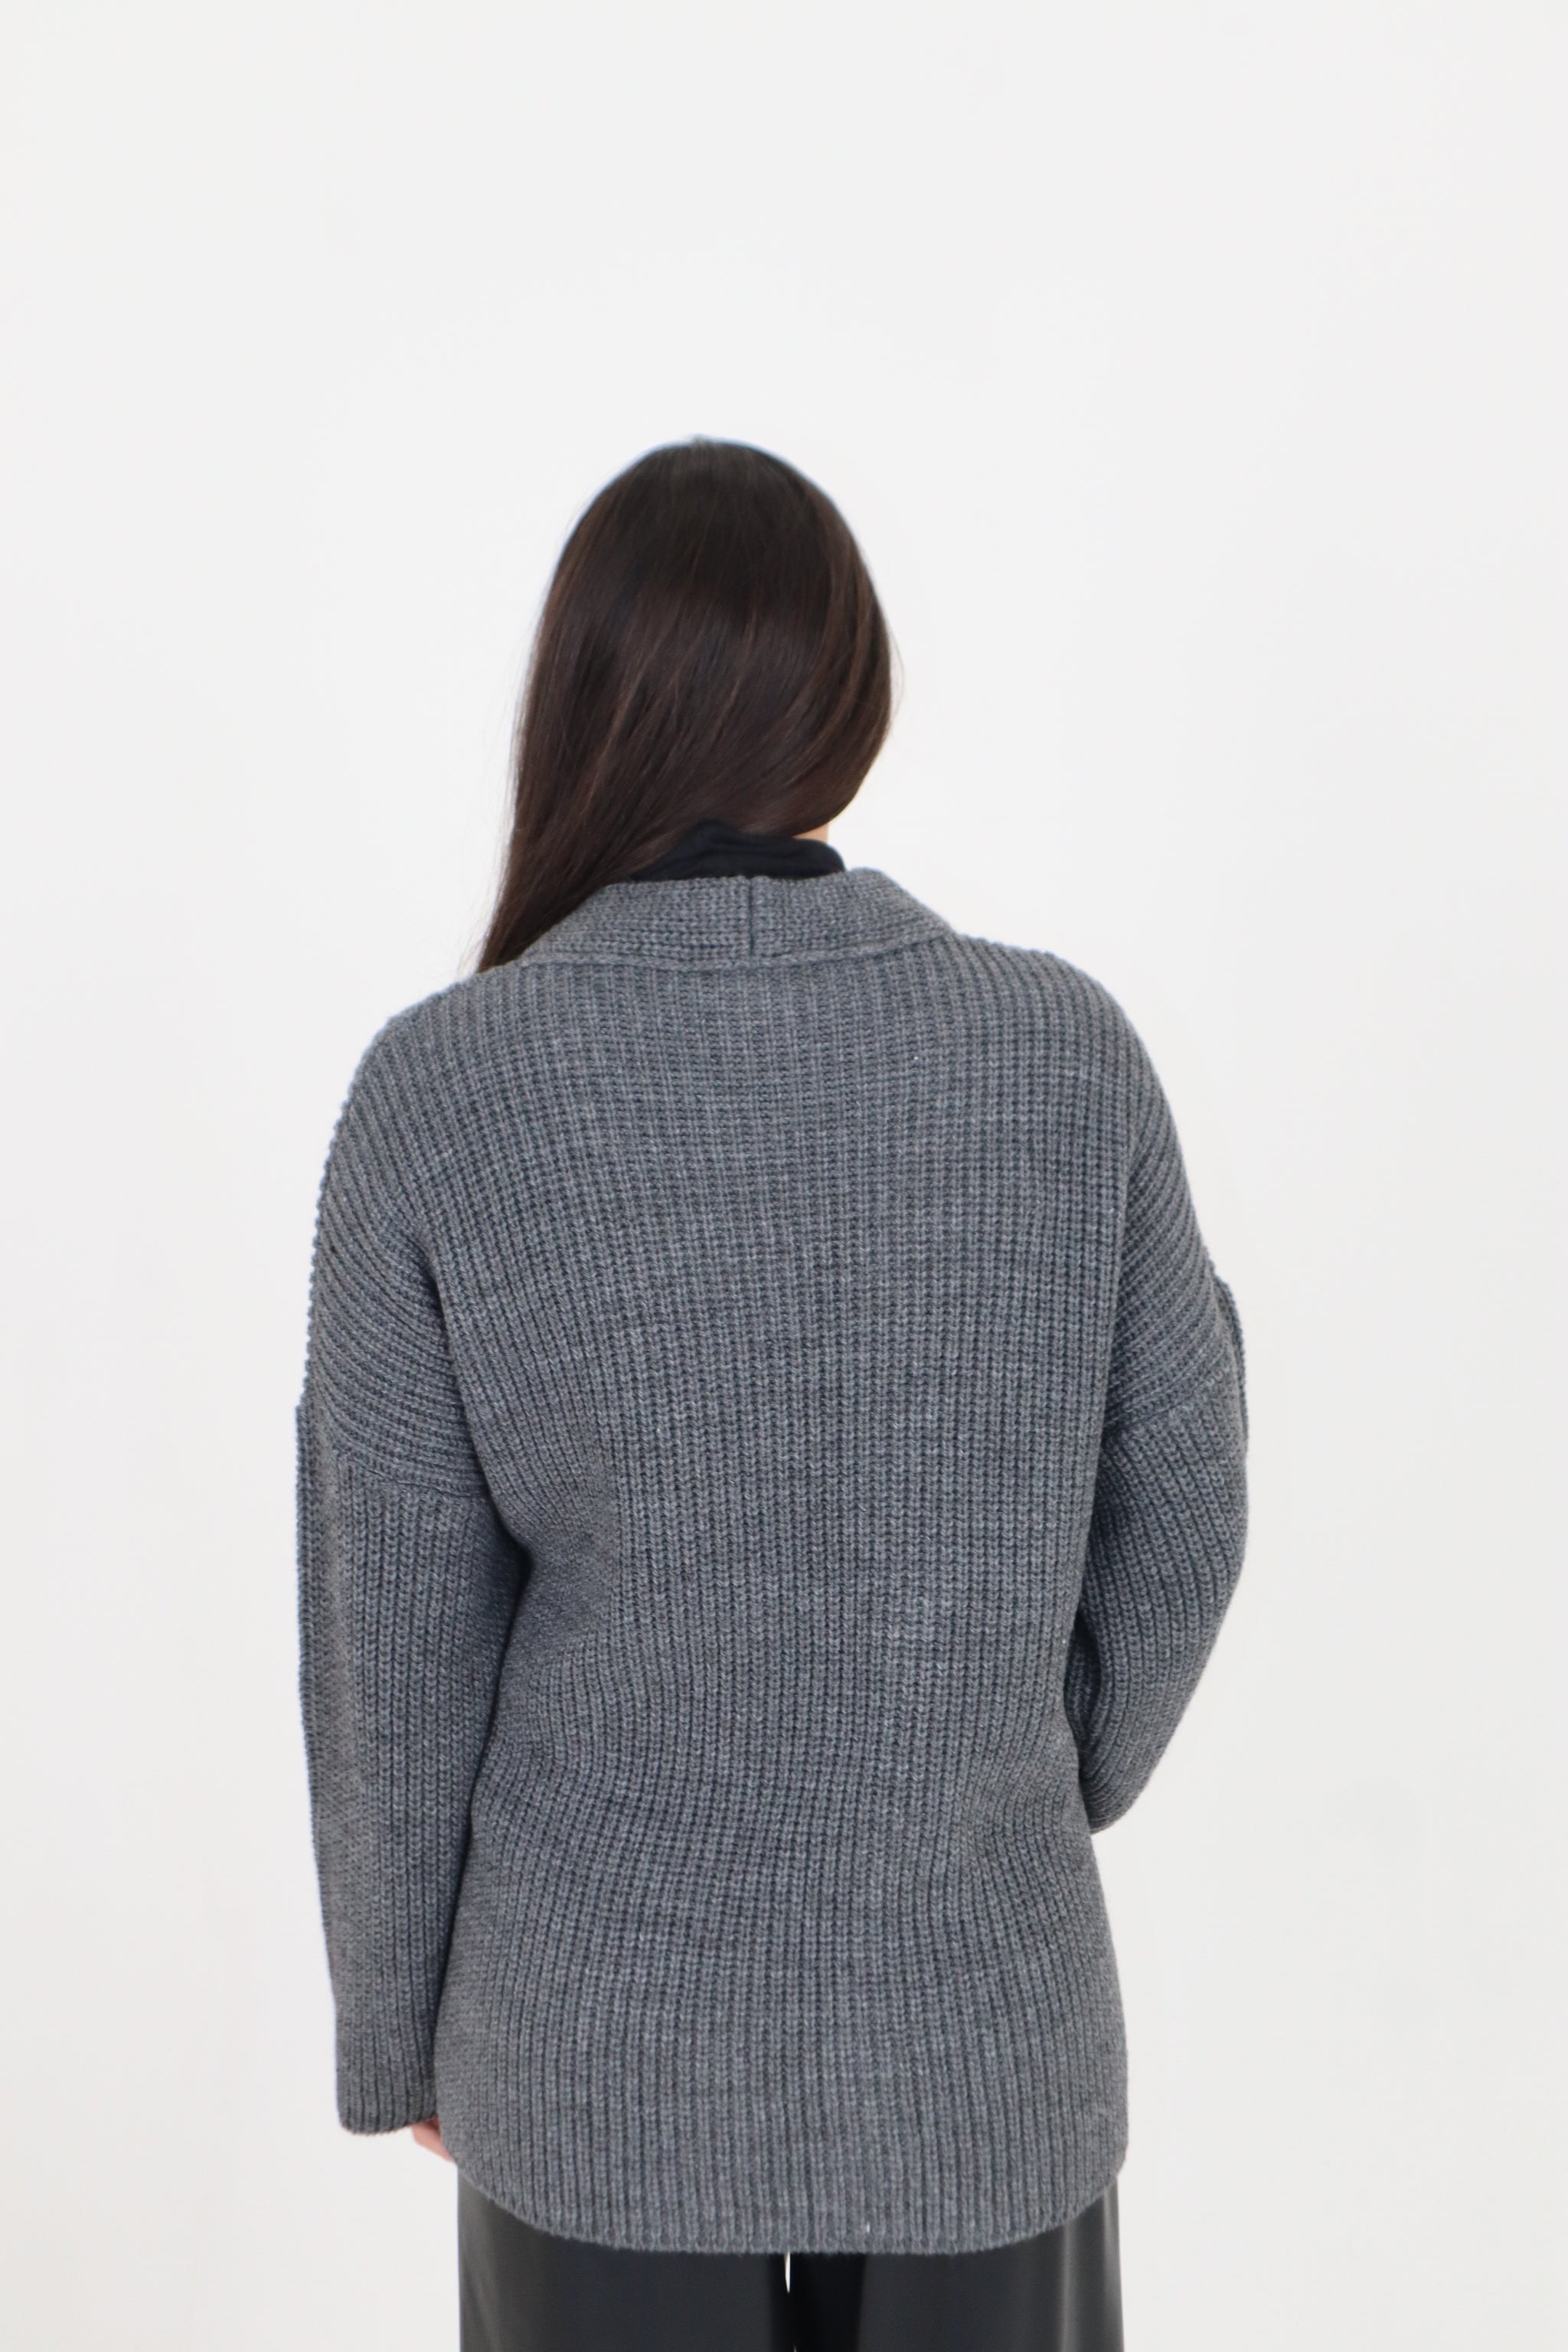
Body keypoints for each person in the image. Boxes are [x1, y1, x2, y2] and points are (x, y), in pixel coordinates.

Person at [296, 438, 1250, 2350]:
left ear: (582, 702)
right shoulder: (1062, 1056)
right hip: (981, 2039)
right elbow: (1188, 1511)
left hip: (591, 2062)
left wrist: (399, 2025)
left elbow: (388, 1641)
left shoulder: (445, 1091)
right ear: (849, 700)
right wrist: (1015, 1770)